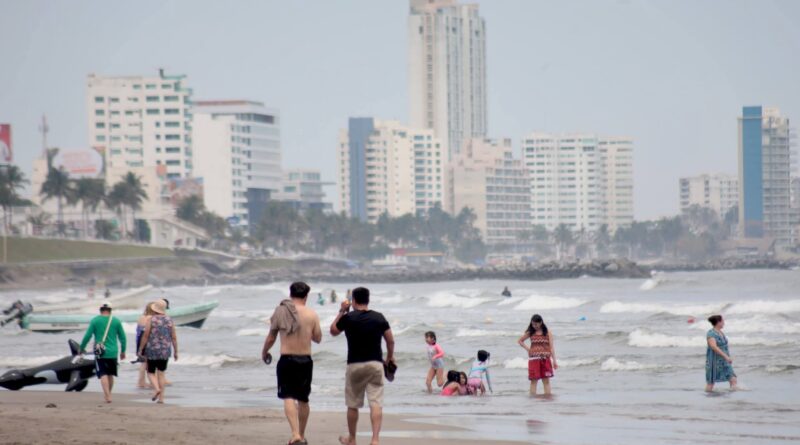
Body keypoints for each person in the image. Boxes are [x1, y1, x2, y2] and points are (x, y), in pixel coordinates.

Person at [330, 287, 395, 445]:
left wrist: (342, 311)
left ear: (353, 301)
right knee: (376, 403)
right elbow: (390, 340)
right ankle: (375, 440)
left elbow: (333, 331)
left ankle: (352, 439)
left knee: (353, 404)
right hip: (375, 364)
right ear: (368, 300)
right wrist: (389, 357)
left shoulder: (349, 318)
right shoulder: (379, 317)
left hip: (355, 365)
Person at [262, 282, 322, 445]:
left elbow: (271, 337)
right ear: (306, 296)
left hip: (287, 359)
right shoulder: (312, 314)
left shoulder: (281, 311)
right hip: (305, 360)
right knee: (303, 399)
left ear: (290, 294)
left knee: (288, 396)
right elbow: (318, 338)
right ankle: (301, 435)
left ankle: (295, 434)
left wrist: (264, 351)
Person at [80, 302, 126, 403]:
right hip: (113, 352)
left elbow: (87, 336)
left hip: (101, 352)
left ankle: (107, 395)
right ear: (110, 310)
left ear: (100, 310)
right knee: (110, 374)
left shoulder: (95, 321)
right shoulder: (116, 321)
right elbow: (123, 338)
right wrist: (123, 351)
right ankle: (108, 394)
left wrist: (81, 348)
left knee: (103, 373)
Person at [138, 300, 177, 404]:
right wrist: (176, 352)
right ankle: (161, 399)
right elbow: (174, 337)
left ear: (155, 309)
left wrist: (141, 349)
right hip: (165, 351)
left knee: (150, 372)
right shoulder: (170, 320)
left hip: (152, 350)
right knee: (161, 374)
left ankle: (157, 389)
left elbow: (145, 335)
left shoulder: (151, 319)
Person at [518, 314, 557, 395]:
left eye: (536, 324)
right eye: (532, 324)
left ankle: (547, 398)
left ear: (541, 322)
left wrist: (554, 361)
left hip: (545, 359)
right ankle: (533, 401)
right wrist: (528, 349)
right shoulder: (531, 332)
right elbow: (520, 341)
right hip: (534, 360)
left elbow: (551, 348)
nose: (534, 326)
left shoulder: (548, 333)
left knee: (546, 380)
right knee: (533, 381)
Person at [705, 314, 738, 392]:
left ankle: (733, 399)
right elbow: (714, 347)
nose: (724, 322)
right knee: (711, 382)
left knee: (733, 378)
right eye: (723, 321)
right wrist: (726, 357)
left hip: (724, 360)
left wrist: (727, 357)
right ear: (718, 322)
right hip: (714, 361)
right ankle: (707, 398)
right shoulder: (711, 333)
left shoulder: (720, 332)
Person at [135, 302, 157, 388]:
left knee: (143, 362)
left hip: (140, 341)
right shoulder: (151, 318)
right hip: (148, 341)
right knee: (150, 363)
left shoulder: (141, 318)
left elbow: (138, 331)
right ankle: (150, 382)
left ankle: (141, 381)